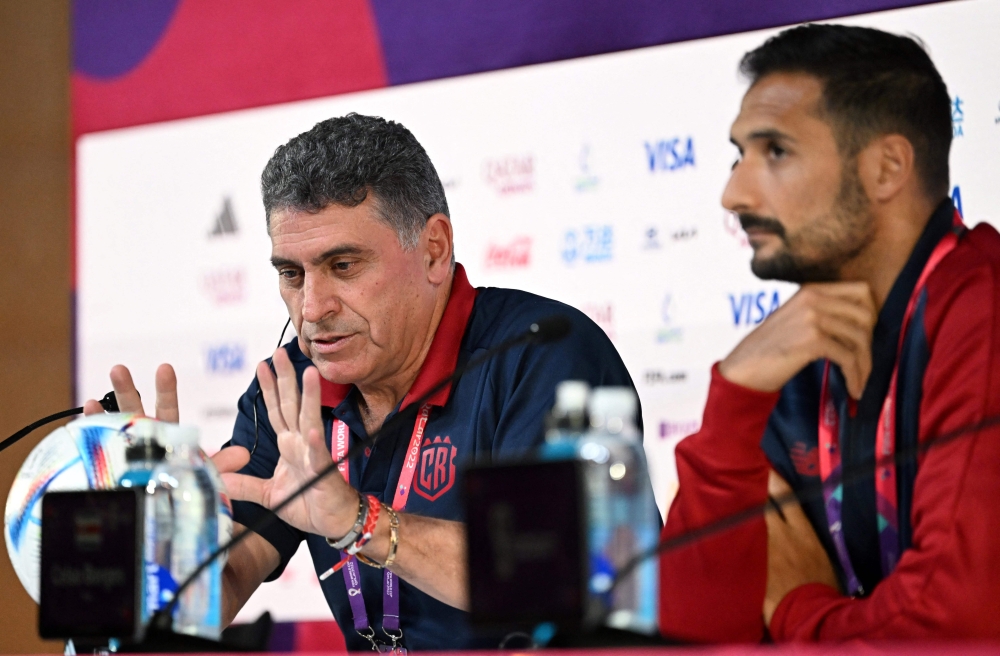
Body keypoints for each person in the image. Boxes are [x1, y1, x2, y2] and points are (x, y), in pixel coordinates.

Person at [86, 114, 640, 651]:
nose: (312, 308)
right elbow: (222, 590)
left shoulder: (541, 354)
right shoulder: (291, 390)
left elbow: (564, 580)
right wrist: (159, 541)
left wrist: (359, 521)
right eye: (291, 273)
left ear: (434, 250)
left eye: (344, 266)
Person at [658, 23, 1000, 642]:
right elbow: (693, 634)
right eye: (740, 155)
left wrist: (796, 612)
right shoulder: (790, 350)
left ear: (887, 167)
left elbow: (954, 628)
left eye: (776, 152)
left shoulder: (983, 310)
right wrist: (736, 393)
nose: (733, 194)